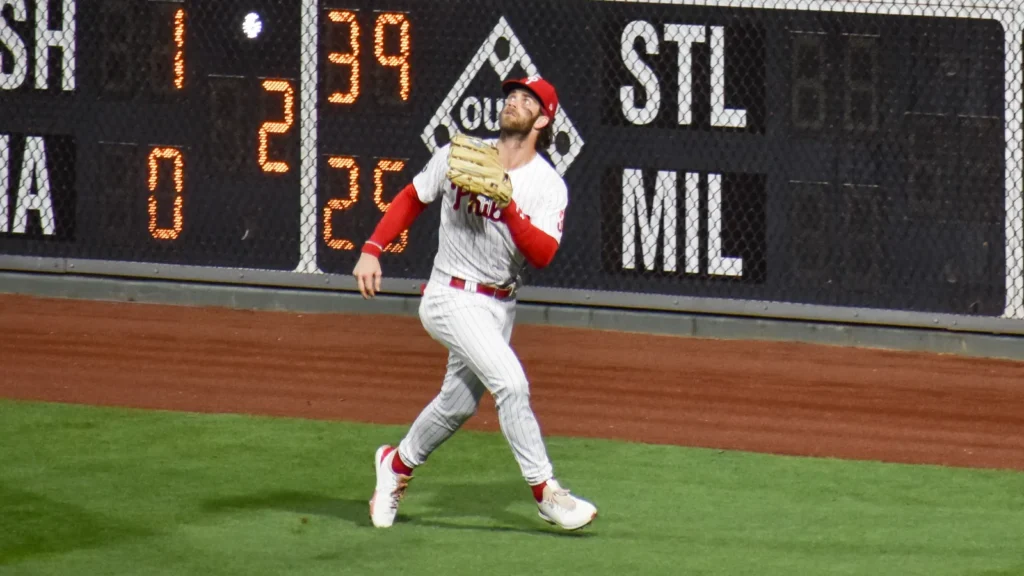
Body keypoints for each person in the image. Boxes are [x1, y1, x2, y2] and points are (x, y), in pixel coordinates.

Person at [351, 75, 598, 531]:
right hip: (448, 294)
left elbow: (542, 254)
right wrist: (372, 247)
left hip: (498, 306)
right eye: (512, 96)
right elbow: (412, 197)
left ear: (543, 119)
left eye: (528, 100)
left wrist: (507, 208)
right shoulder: (461, 154)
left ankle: (396, 465)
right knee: (511, 383)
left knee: (458, 404)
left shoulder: (548, 185)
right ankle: (547, 492)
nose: (514, 103)